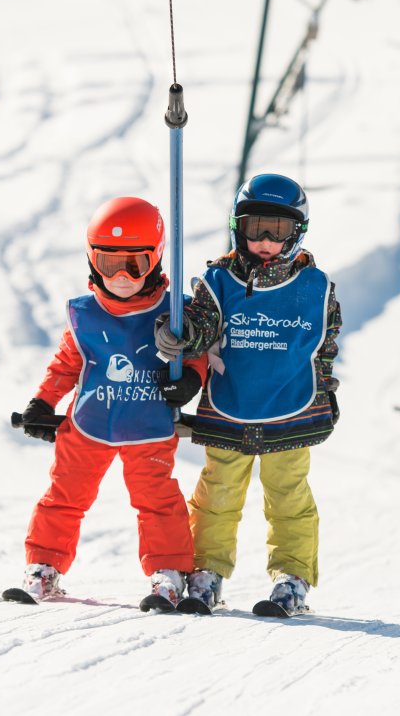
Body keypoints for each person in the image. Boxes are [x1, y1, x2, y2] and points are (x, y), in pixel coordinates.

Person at [154, 174, 341, 614]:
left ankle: (292, 577)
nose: (263, 240)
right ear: (238, 228)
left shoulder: (315, 288)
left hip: (289, 410)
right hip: (230, 405)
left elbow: (323, 346)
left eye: (276, 231)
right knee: (217, 494)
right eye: (254, 226)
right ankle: (206, 572)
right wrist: (179, 335)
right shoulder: (218, 281)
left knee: (288, 497)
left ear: (296, 233)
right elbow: (201, 327)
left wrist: (325, 390)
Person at [16, 197, 206, 605]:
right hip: (88, 423)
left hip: (149, 425)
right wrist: (43, 403)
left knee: (158, 501)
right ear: (91, 261)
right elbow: (67, 363)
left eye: (134, 265)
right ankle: (44, 566)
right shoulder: (85, 314)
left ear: (154, 260)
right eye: (108, 264)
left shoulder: (175, 312)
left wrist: (191, 379)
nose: (122, 276)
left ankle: (168, 573)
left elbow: (197, 353)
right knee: (64, 495)